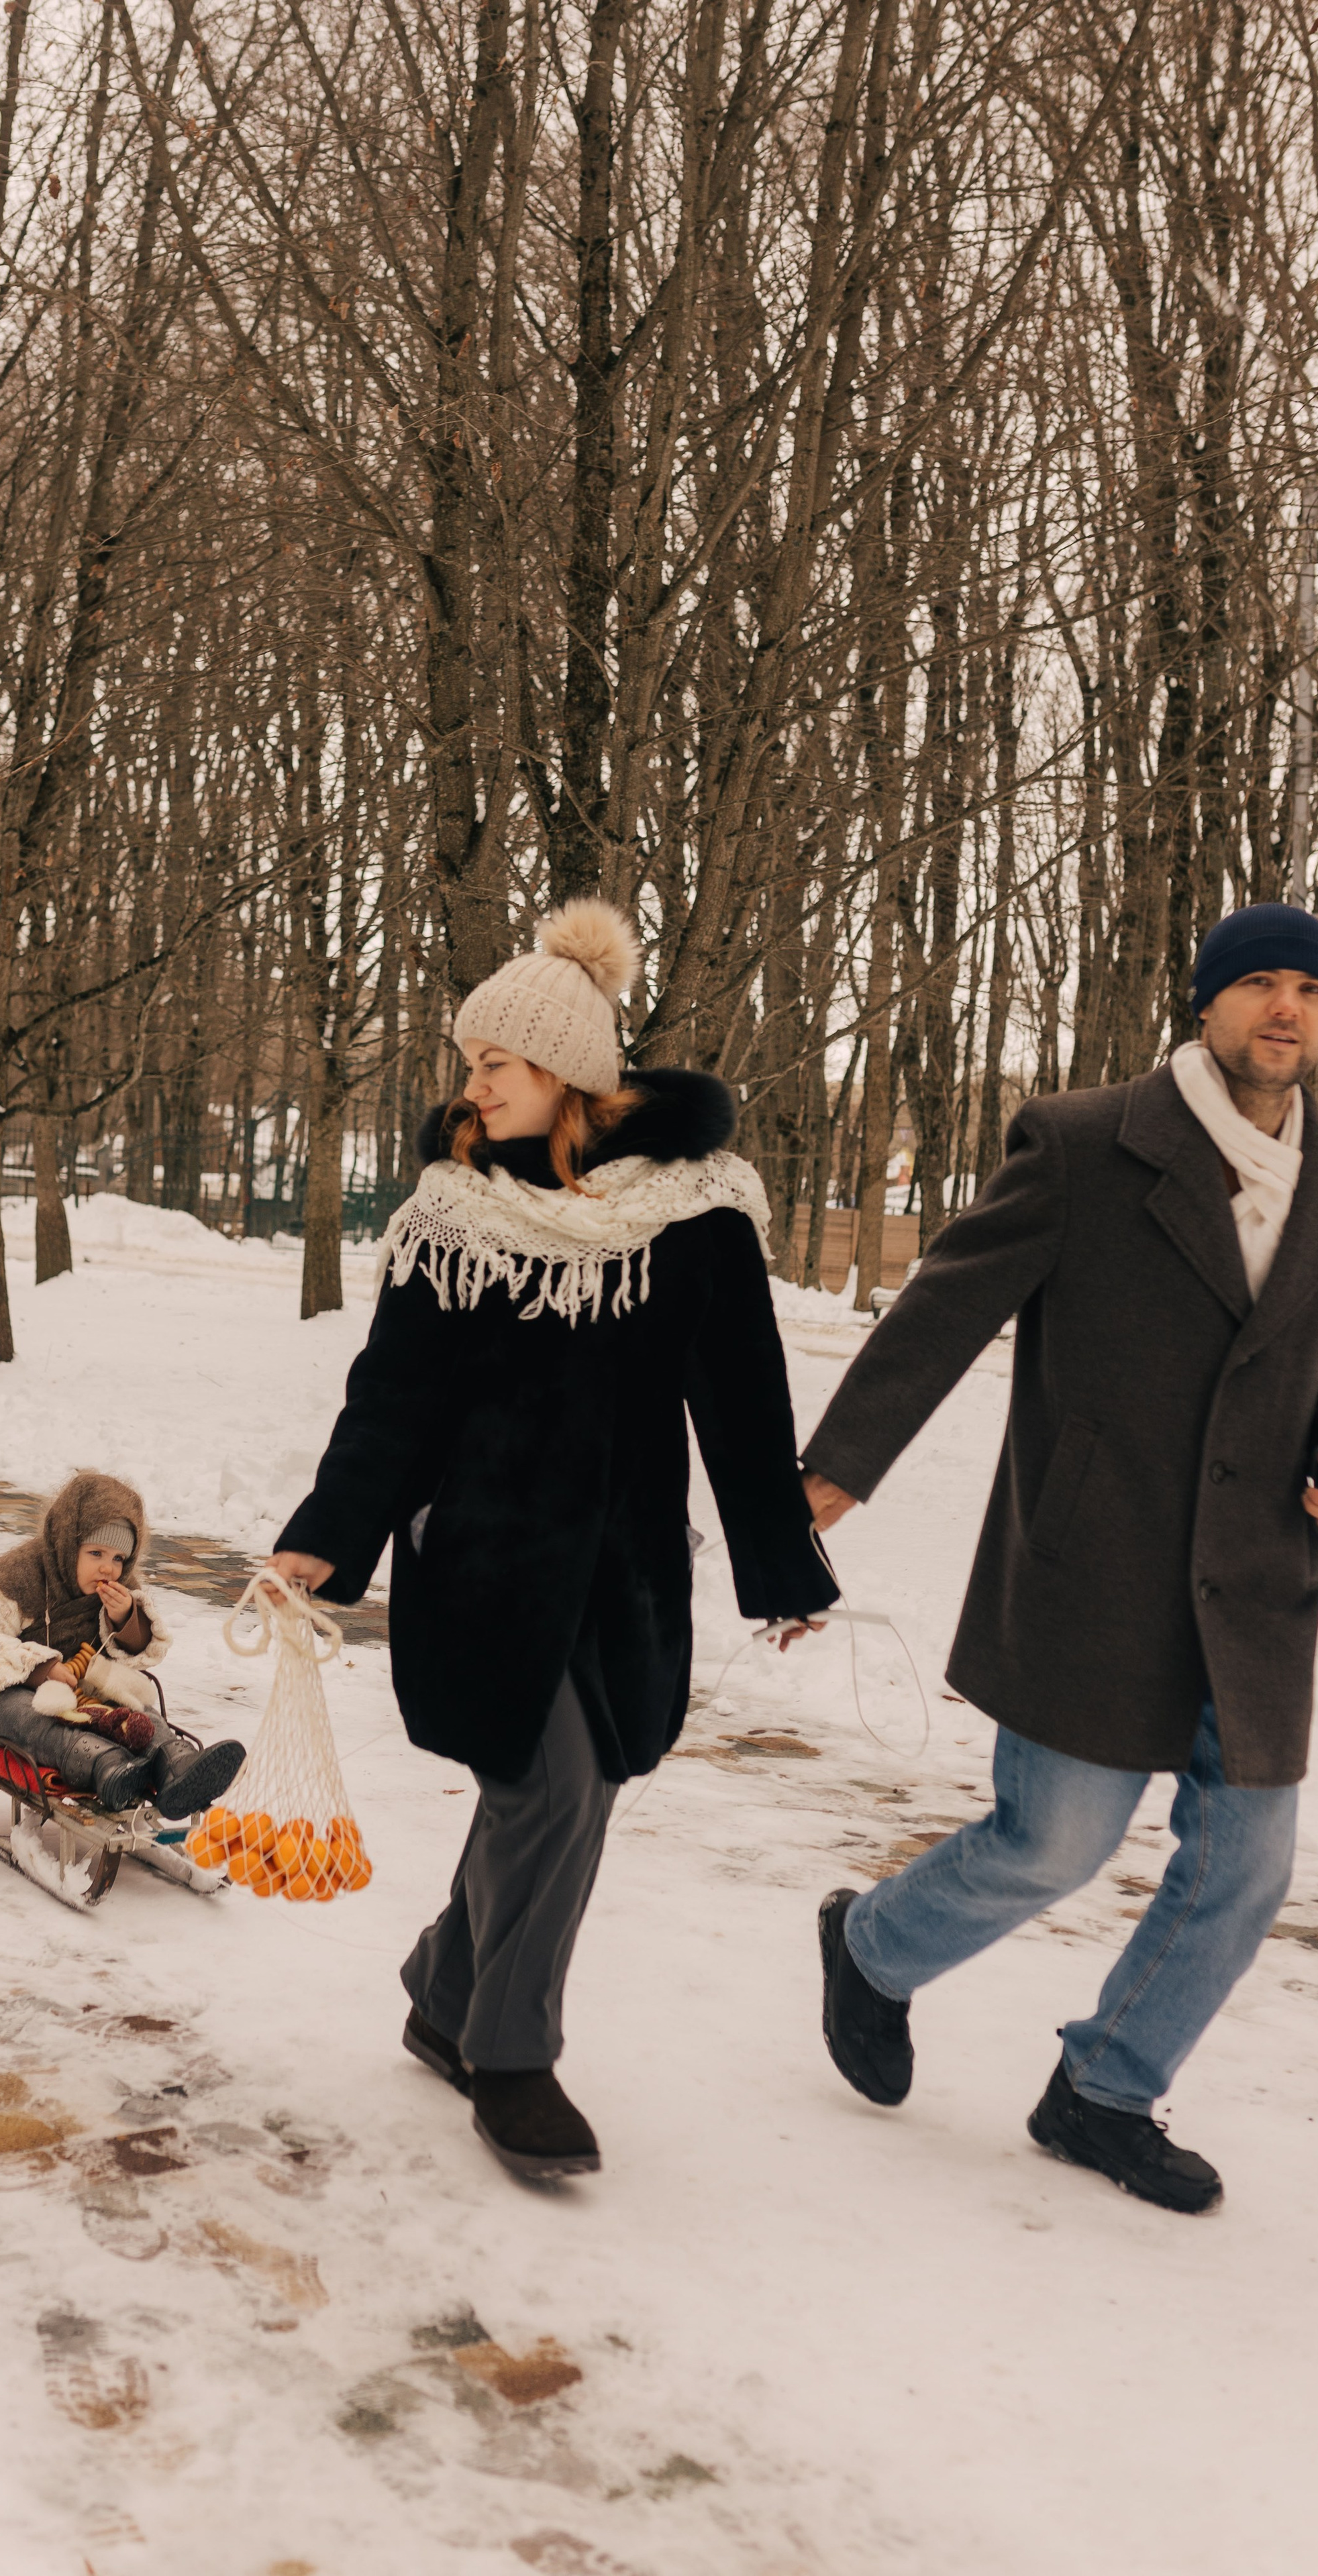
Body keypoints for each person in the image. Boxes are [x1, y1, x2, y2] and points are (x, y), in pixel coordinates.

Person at [268, 898, 837, 2181]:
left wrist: (781, 1565)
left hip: (622, 1566)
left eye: (497, 1062)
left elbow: (745, 1409)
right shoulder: (452, 1216)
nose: (472, 1083)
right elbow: (394, 1397)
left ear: (571, 1075)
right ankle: (509, 2053)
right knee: (553, 1786)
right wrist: (330, 1534)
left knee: (583, 1784)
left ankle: (438, 1984)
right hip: (480, 1554)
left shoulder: (695, 1215)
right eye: (470, 1062)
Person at [804, 902, 1318, 2213]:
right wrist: (821, 1483)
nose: (1285, 1010)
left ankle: (1102, 2089)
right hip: (1094, 1564)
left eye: (1309, 992)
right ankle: (870, 1947)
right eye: (1257, 984)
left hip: (1257, 1579)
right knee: (1053, 1845)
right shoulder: (1088, 1145)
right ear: (1202, 1004)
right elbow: (941, 1308)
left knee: (1246, 1869)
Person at [0, 1469, 244, 1819]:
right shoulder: (21, 1574)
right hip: (17, 1690)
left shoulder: (120, 1587)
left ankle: (174, 1763)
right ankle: (105, 1765)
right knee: (14, 1712)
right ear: (68, 1543)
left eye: (119, 1558)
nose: (109, 1568)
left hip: (88, 1692)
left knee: (133, 1708)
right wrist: (41, 1668)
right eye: (96, 1553)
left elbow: (139, 1653)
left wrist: (126, 1619)